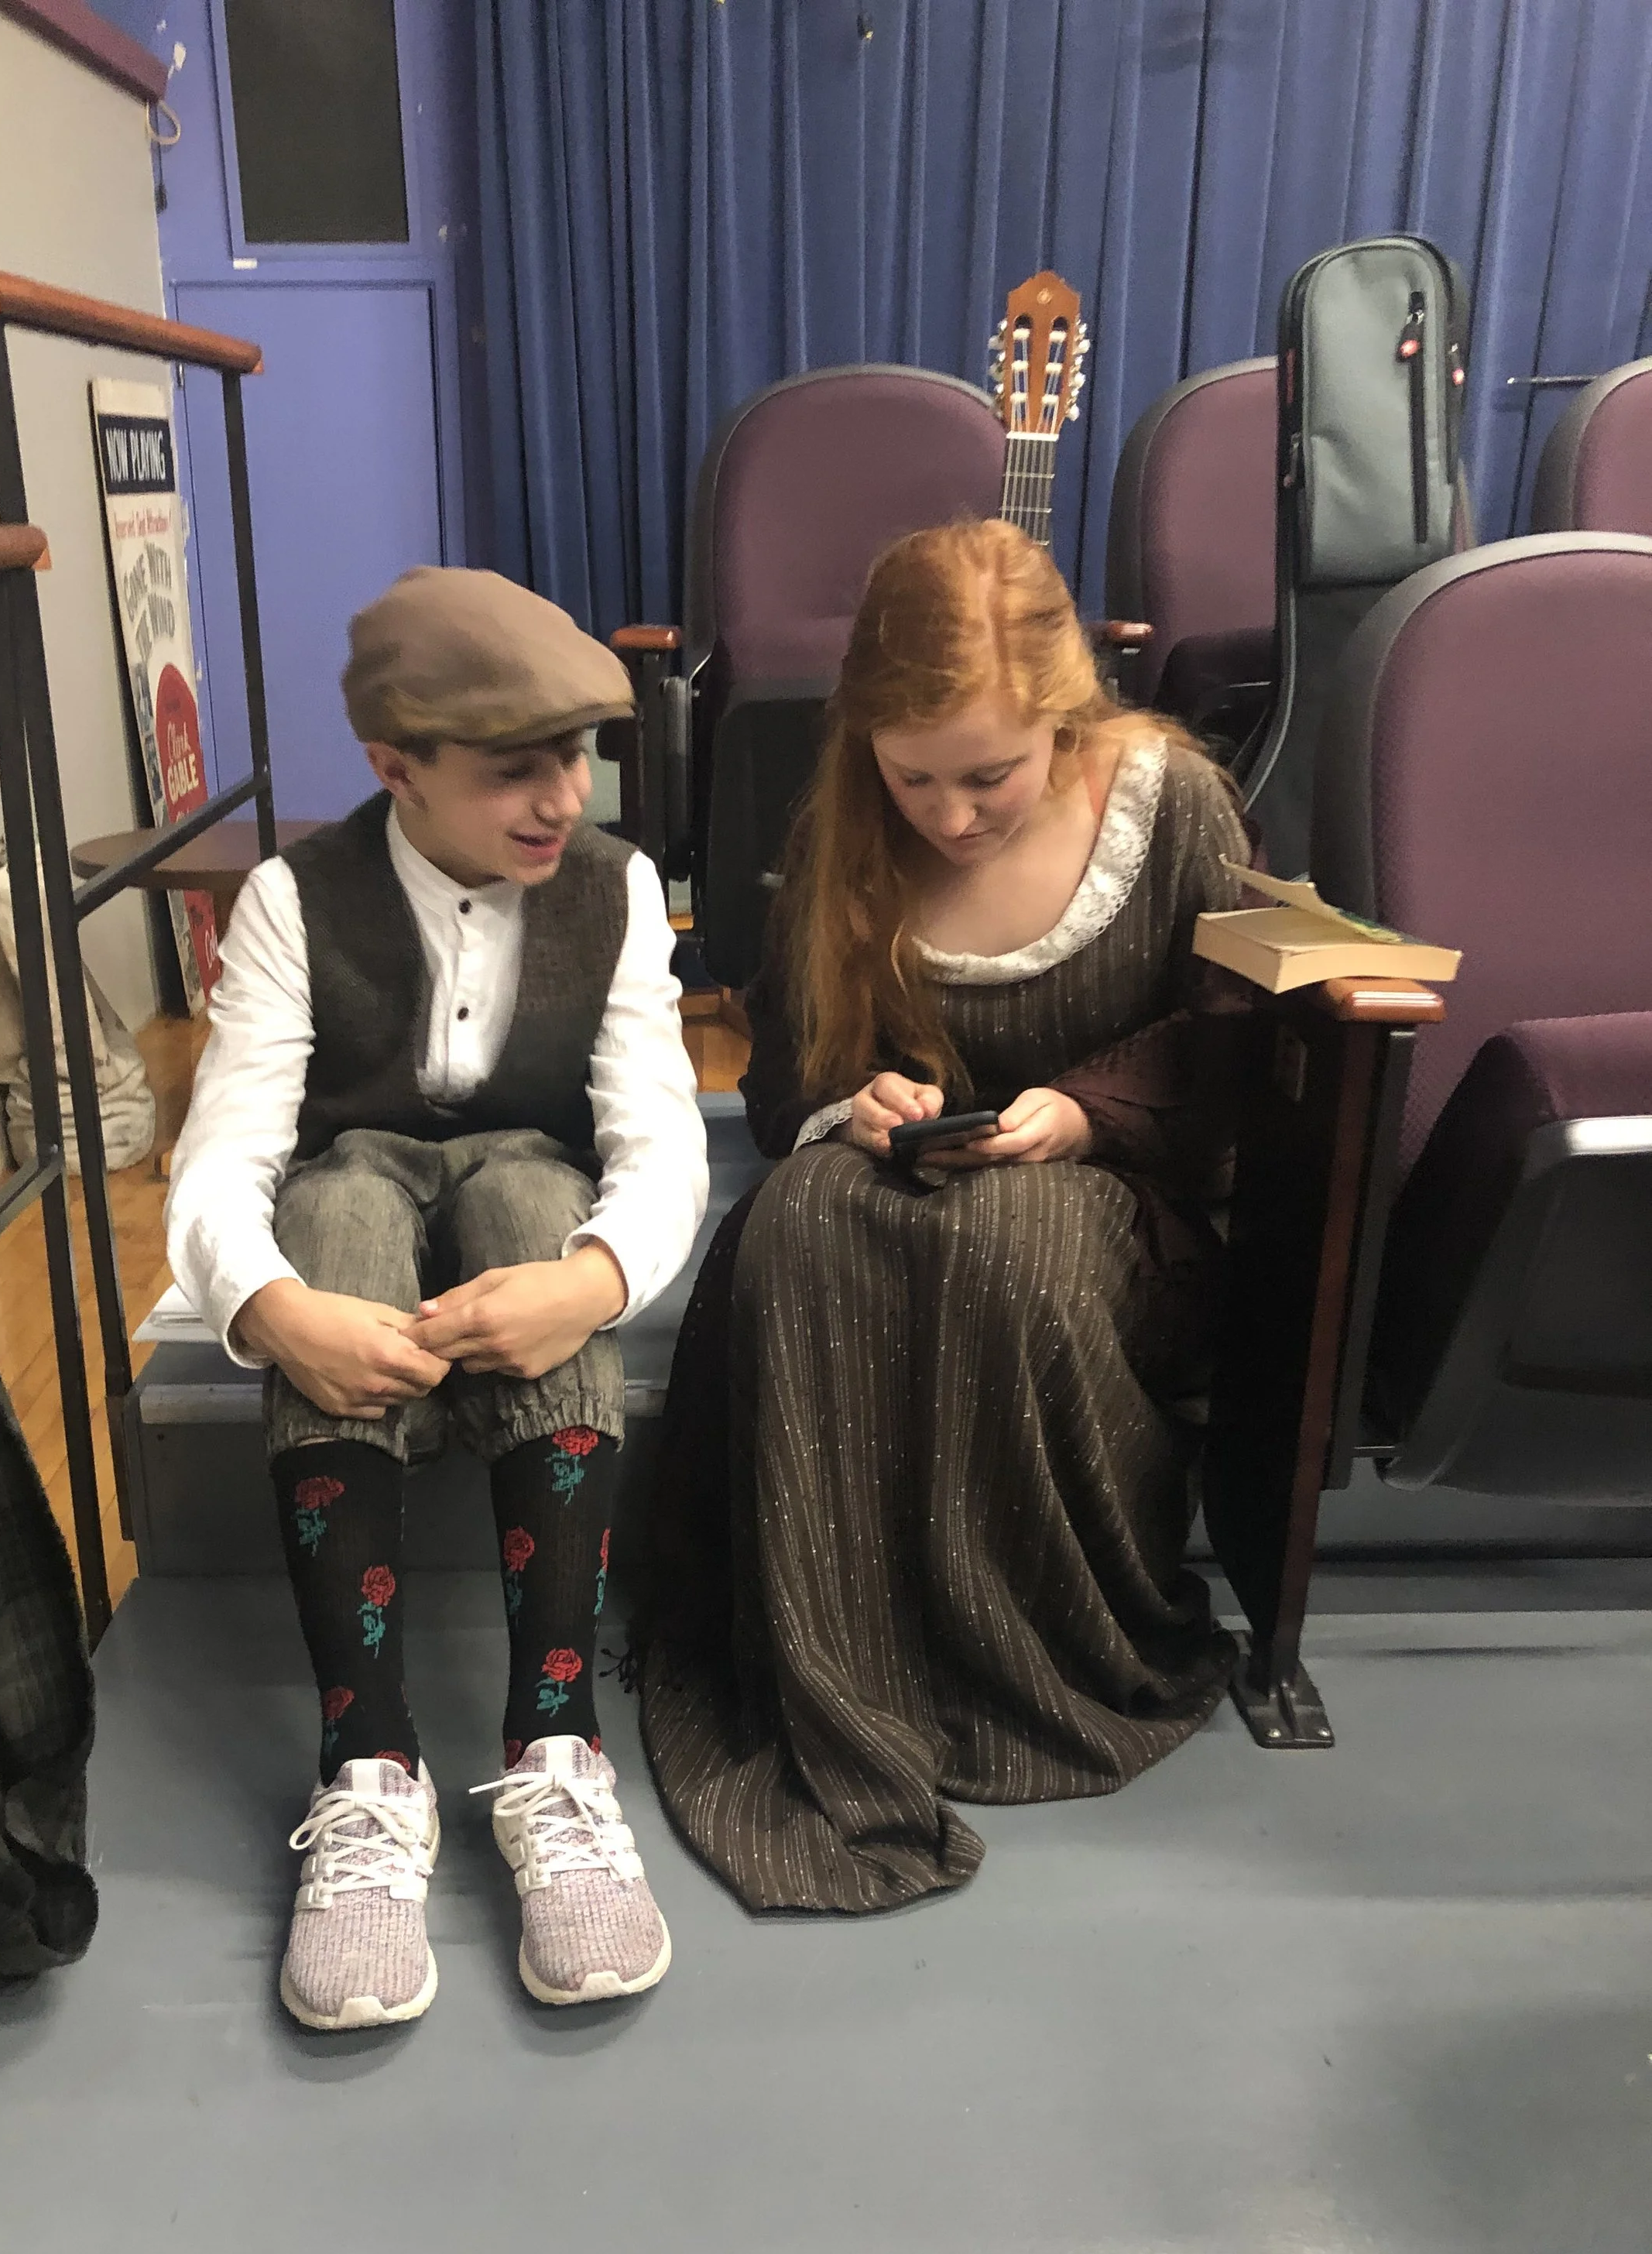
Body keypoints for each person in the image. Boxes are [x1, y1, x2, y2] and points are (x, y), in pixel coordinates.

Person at [636, 519, 1253, 1915]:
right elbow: (790, 1063)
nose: (952, 817)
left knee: (1001, 1252)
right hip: (913, 1160)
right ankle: (844, 1656)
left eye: (990, 777)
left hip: (1113, 1188)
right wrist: (854, 1100)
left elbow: (1227, 1047)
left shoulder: (1172, 807)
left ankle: (1010, 1652)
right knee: (796, 1227)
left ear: (1064, 716)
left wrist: (1082, 1114)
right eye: (912, 776)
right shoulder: (851, 823)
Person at [166, 567, 708, 2024]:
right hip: (359, 1180)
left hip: (524, 1180)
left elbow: (660, 1137)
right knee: (328, 1217)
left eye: (576, 758)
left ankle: (556, 1747)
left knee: (538, 1206)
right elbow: (225, 1151)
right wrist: (269, 1310)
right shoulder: (293, 898)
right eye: (512, 770)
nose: (562, 798)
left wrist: (592, 1282)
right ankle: (368, 1764)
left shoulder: (615, 887)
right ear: (394, 766)